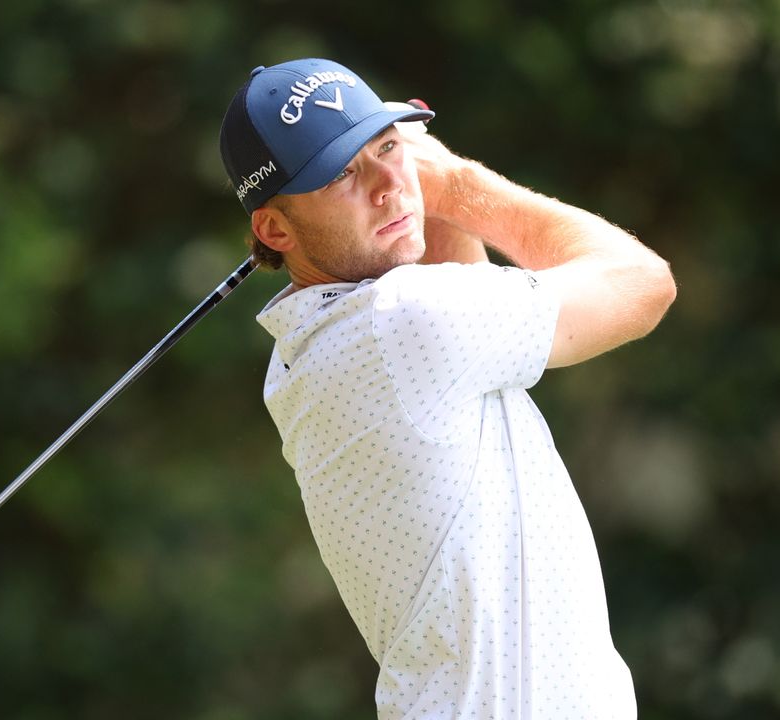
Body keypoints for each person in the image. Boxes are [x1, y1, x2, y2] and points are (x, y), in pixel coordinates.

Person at [219, 58, 676, 719]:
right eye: (343, 173)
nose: (385, 184)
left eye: (387, 147)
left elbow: (461, 293)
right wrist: (455, 184)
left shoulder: (318, 346)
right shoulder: (398, 323)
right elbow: (642, 285)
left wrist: (419, 194)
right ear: (275, 229)